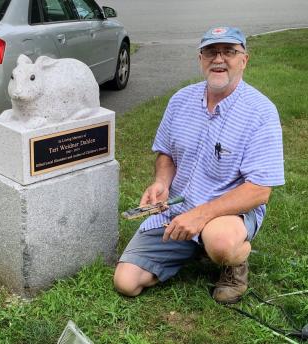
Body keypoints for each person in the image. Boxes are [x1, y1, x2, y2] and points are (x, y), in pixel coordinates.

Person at [114, 27, 285, 304]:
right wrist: (161, 183)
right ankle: (193, 247)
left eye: (229, 51)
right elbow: (166, 154)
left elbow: (259, 191)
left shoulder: (260, 112)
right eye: (210, 52)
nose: (219, 59)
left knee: (219, 240)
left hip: (229, 212)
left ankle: (233, 262)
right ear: (200, 59)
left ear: (245, 60)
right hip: (179, 209)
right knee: (126, 282)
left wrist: (202, 216)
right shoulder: (180, 100)